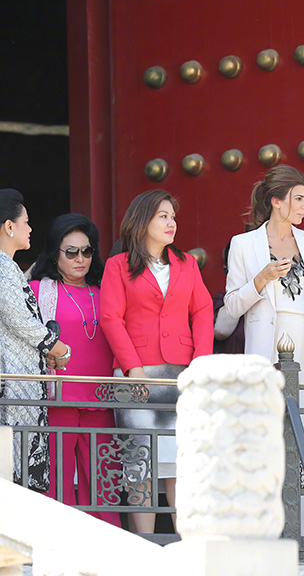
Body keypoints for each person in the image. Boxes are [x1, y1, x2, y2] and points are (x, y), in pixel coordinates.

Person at [223, 165, 304, 541]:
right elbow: (232, 306)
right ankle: (266, 534)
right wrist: (261, 279)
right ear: (276, 202)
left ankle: (302, 540)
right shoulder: (243, 244)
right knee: (265, 439)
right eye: (299, 199)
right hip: (266, 348)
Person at [100, 189, 214, 534]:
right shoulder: (117, 265)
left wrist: (201, 364)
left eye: (173, 217)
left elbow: (204, 310)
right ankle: (144, 543)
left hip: (182, 373)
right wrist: (132, 368)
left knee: (181, 463)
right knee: (140, 462)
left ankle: (186, 544)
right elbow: (110, 318)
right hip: (137, 374)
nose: (171, 223)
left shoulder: (187, 263)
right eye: (163, 216)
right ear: (142, 220)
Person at [28, 214, 119, 525]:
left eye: (87, 251)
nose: (81, 259)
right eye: (71, 252)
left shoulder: (108, 288)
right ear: (55, 254)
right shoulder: (38, 290)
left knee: (103, 486)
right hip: (58, 399)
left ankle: (108, 559)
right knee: (57, 487)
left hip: (102, 399)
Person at [0, 189, 70, 491]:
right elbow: (20, 320)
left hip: (18, 385)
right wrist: (59, 348)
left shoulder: (8, 266)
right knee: (13, 476)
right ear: (9, 227)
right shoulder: (2, 266)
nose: (30, 229)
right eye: (25, 222)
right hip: (12, 387)